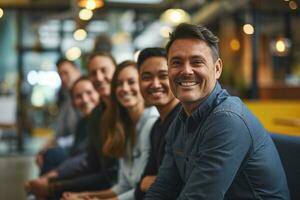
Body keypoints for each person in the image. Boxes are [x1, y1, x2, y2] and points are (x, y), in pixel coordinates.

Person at [145, 23, 290, 199]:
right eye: (176, 63)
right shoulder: (180, 120)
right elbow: (163, 188)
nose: (186, 71)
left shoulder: (227, 120)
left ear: (217, 68)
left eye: (197, 62)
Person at [25, 52, 118, 199]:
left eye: (104, 71)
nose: (99, 77)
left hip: (113, 182)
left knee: (54, 158)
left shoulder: (118, 111)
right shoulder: (95, 115)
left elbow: (109, 174)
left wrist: (54, 184)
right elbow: (91, 162)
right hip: (104, 177)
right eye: (94, 73)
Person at [61, 60, 159, 200]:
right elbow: (123, 186)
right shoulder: (123, 126)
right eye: (119, 84)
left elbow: (140, 191)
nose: (124, 88)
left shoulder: (151, 122)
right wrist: (82, 196)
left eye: (131, 82)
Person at [134, 47, 181, 200]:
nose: (155, 84)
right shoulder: (156, 127)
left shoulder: (185, 122)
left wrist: (155, 182)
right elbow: (142, 183)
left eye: (163, 76)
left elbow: (179, 185)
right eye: (146, 77)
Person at [37, 58, 81, 175]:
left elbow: (81, 137)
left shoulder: (84, 97)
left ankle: (43, 188)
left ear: (77, 71)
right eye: (60, 75)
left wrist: (55, 144)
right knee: (46, 153)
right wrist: (44, 148)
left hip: (80, 148)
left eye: (66, 73)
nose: (63, 78)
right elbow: (60, 132)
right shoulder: (66, 99)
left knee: (52, 154)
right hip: (70, 146)